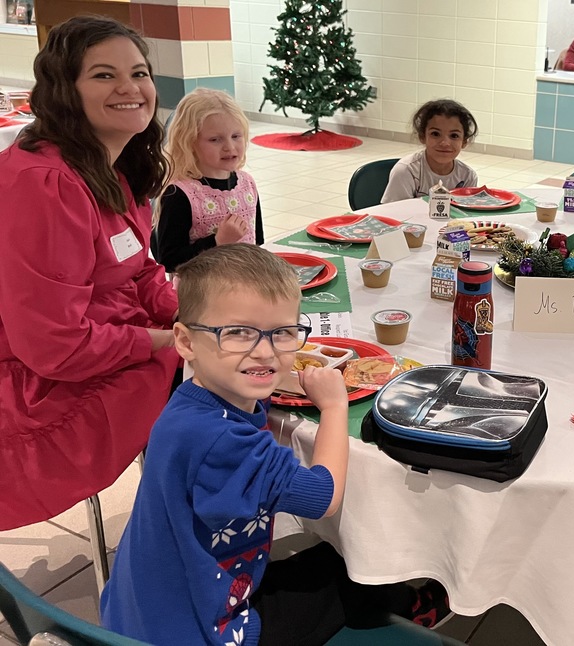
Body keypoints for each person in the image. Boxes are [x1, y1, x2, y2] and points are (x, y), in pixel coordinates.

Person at [101, 245, 449, 645]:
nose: (264, 352)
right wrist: (334, 406)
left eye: (282, 333)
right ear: (185, 341)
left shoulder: (192, 401)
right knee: (349, 570)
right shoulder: (223, 442)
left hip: (149, 608)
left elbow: (254, 379)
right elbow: (323, 496)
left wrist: (268, 372)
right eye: (237, 332)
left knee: (323, 562)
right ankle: (411, 608)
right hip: (206, 631)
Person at [0, 16, 179, 530]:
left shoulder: (111, 164)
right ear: (64, 91)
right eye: (104, 75)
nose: (130, 88)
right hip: (44, 376)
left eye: (139, 73)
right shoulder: (44, 184)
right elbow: (54, 346)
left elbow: (137, 267)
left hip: (99, 340)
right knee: (223, 389)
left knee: (239, 348)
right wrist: (164, 340)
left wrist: (192, 311)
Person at [154, 88, 264, 273]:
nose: (229, 147)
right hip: (202, 295)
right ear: (189, 142)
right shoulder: (180, 195)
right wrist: (217, 242)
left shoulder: (247, 184)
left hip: (244, 285)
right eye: (215, 139)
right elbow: (169, 260)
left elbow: (256, 241)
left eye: (236, 136)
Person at [380, 99, 478, 203]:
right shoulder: (407, 171)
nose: (445, 143)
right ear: (422, 137)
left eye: (454, 135)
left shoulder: (467, 176)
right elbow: (393, 213)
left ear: (464, 142)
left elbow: (467, 215)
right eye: (435, 134)